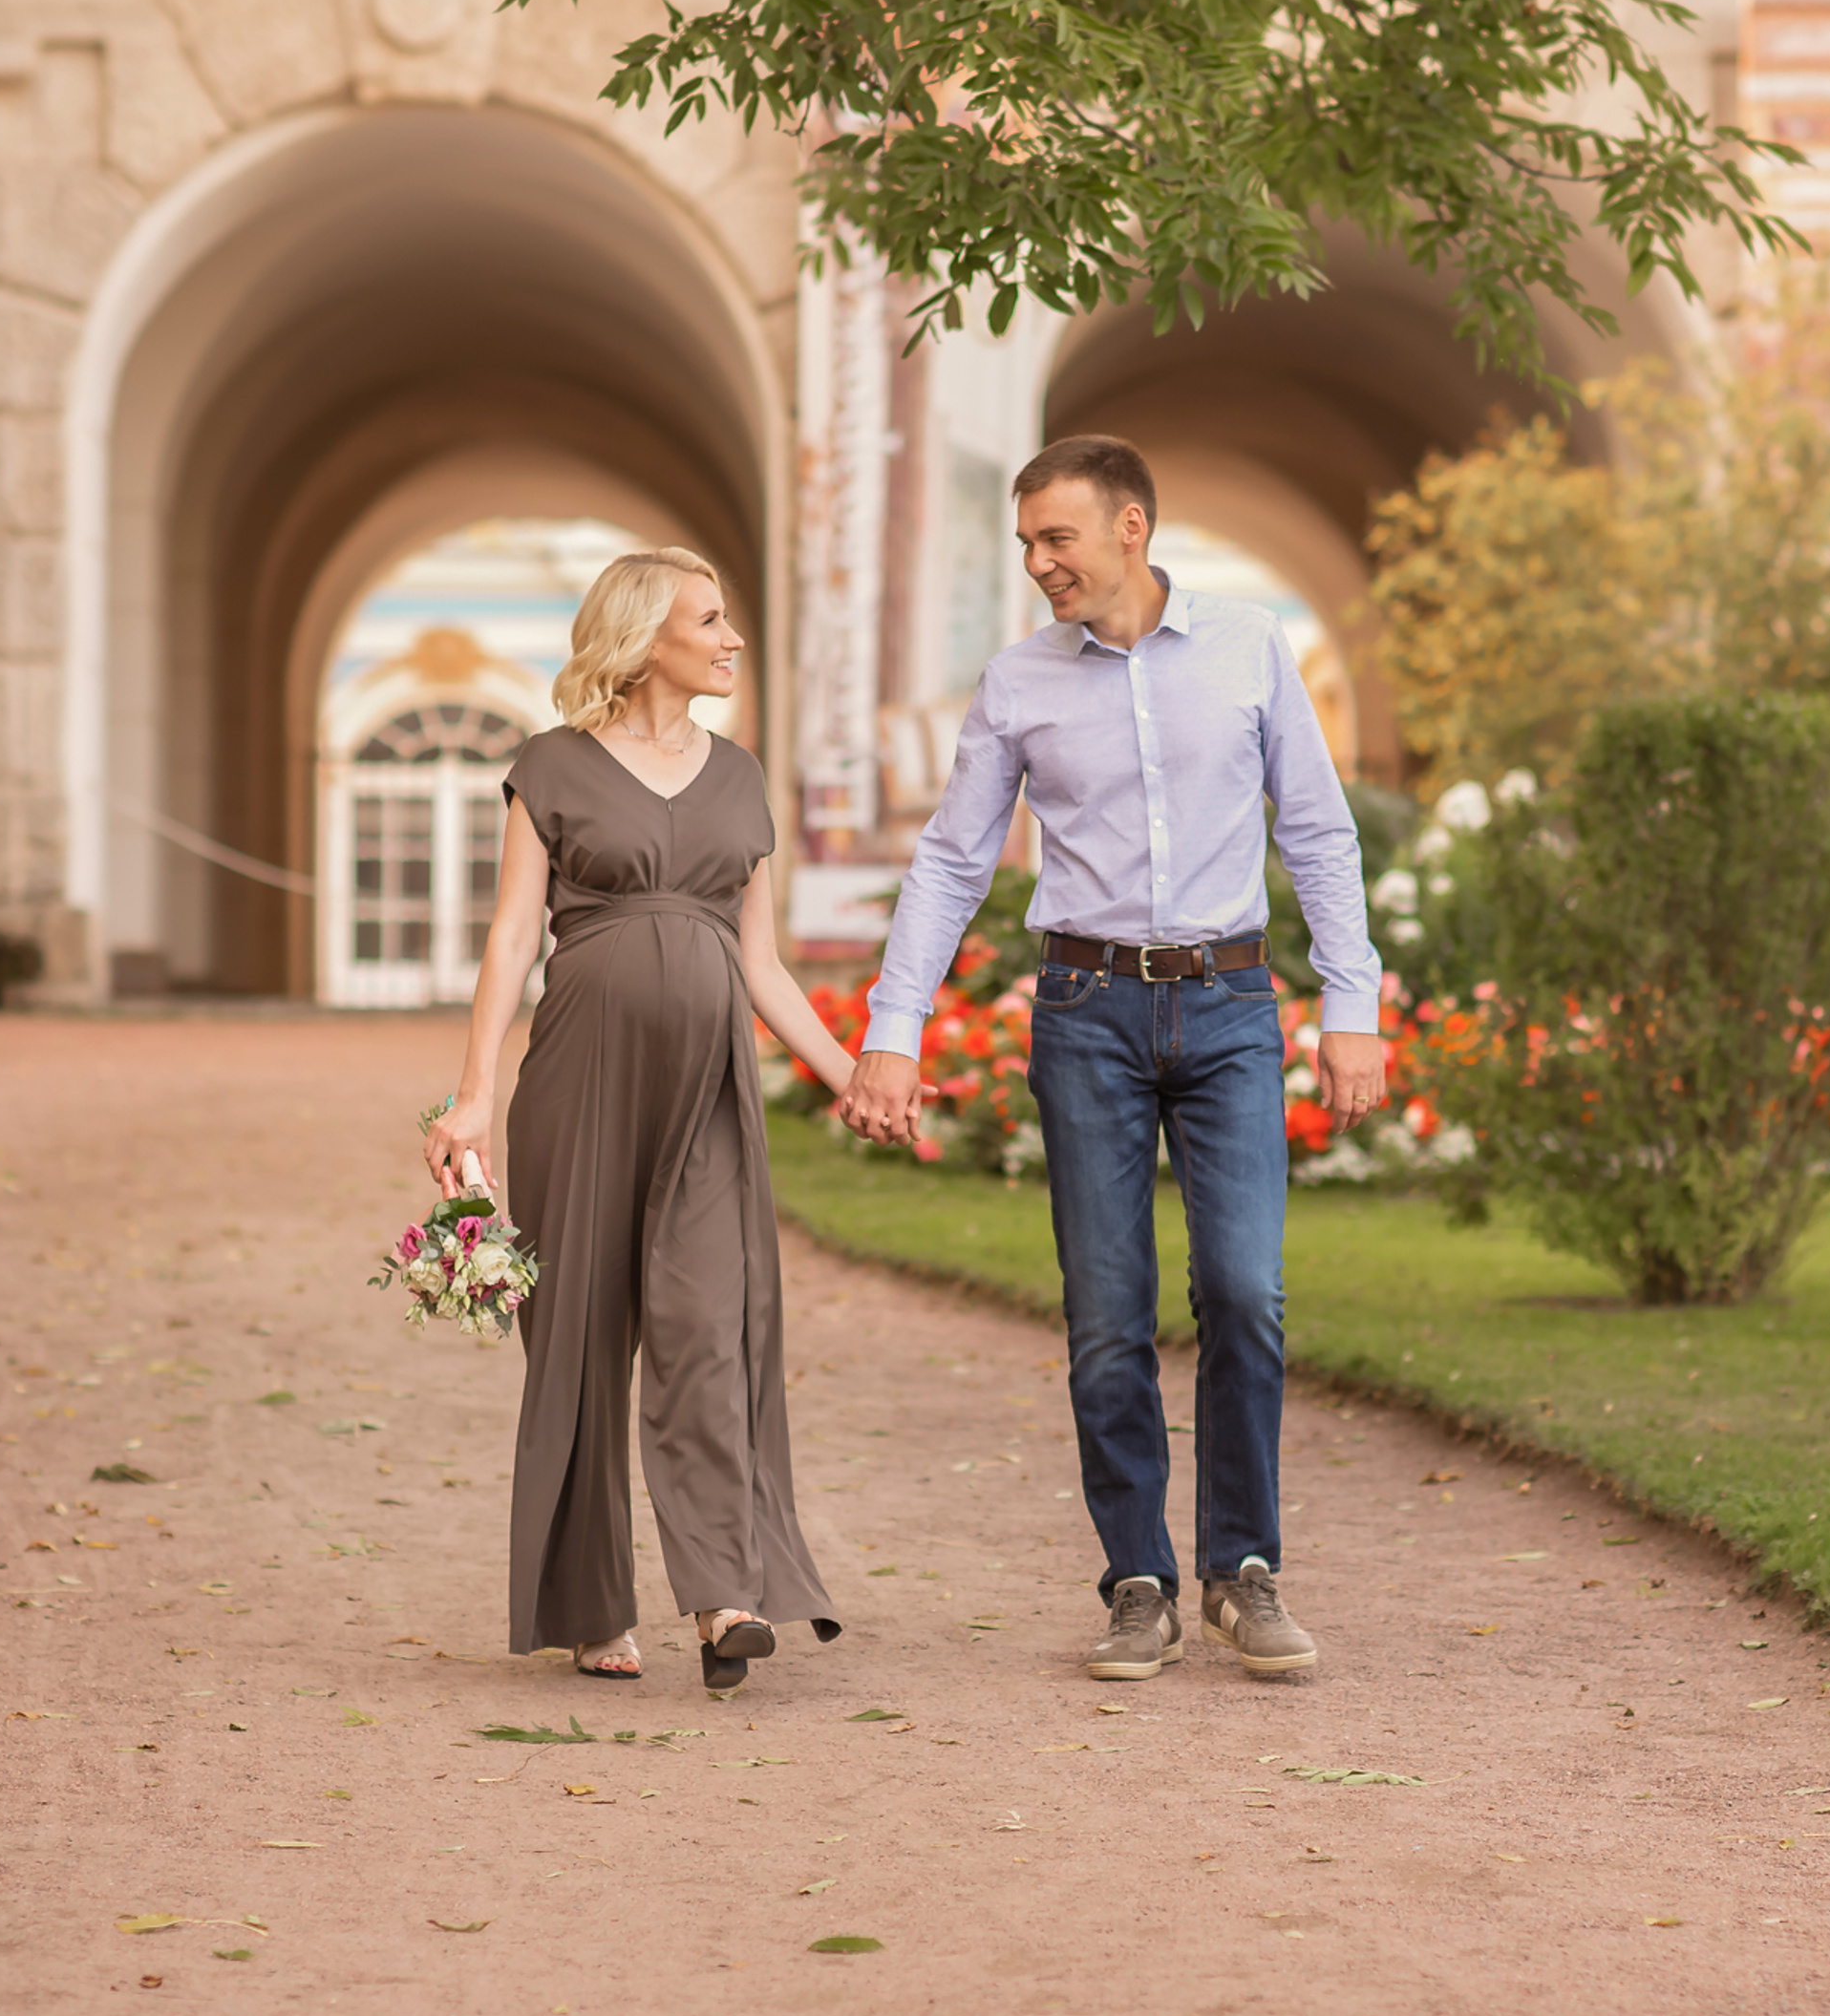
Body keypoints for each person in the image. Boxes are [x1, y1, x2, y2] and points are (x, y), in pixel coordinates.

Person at [841, 436, 1385, 1681]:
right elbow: (952, 861)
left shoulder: (1249, 647)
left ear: (1130, 527)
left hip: (1231, 1003)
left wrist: (1351, 1001)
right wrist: (892, 1030)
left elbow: (1316, 829)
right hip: (1085, 1009)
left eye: (1057, 538)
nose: (1039, 563)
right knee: (1106, 1314)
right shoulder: (1019, 682)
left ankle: (1242, 1571)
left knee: (1245, 1291)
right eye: (1027, 543)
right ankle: (1137, 1580)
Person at [424, 547, 857, 1692]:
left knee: (707, 1325)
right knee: (577, 1334)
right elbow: (512, 936)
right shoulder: (551, 766)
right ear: (641, 636)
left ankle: (723, 1598)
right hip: (580, 1077)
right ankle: (590, 1605)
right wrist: (477, 1091)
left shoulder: (740, 777)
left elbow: (761, 962)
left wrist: (847, 1075)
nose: (730, 639)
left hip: (707, 1086)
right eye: (708, 620)